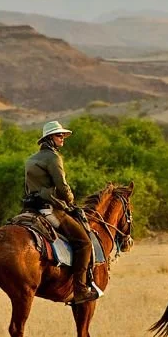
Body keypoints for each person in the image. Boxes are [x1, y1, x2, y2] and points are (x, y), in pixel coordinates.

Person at [23, 121, 98, 306]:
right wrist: (71, 200)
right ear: (50, 138)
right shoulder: (54, 158)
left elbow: (28, 187)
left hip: (31, 208)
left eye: (62, 135)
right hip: (51, 209)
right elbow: (62, 187)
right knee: (85, 243)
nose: (62, 138)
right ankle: (80, 289)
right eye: (59, 135)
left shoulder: (31, 159)